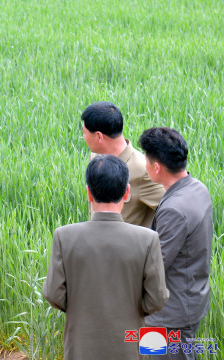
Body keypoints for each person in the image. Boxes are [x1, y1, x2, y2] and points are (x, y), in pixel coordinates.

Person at [42, 154, 169, 360]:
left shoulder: (65, 236)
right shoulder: (147, 239)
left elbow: (54, 293)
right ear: (127, 192)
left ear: (89, 193)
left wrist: (81, 306)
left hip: (81, 348)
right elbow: (157, 298)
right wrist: (133, 309)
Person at [139, 127, 213, 360]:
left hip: (170, 315)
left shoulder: (174, 210)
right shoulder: (197, 188)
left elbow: (155, 264)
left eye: (146, 160)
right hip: (190, 296)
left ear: (157, 167)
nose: (145, 164)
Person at [81, 101, 165, 227]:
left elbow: (173, 209)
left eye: (84, 132)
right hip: (96, 243)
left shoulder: (142, 169)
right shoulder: (96, 158)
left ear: (99, 136)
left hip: (128, 246)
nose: (83, 137)